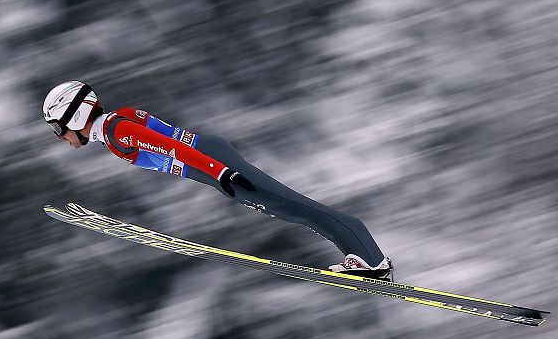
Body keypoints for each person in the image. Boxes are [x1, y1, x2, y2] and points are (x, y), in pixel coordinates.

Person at [43, 80, 393, 279]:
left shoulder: (119, 131)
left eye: (58, 128)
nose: (60, 137)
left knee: (293, 206)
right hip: (211, 162)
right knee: (290, 209)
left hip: (213, 162)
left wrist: (219, 172)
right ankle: (361, 256)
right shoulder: (117, 124)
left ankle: (370, 259)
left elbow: (172, 148)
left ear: (76, 115)